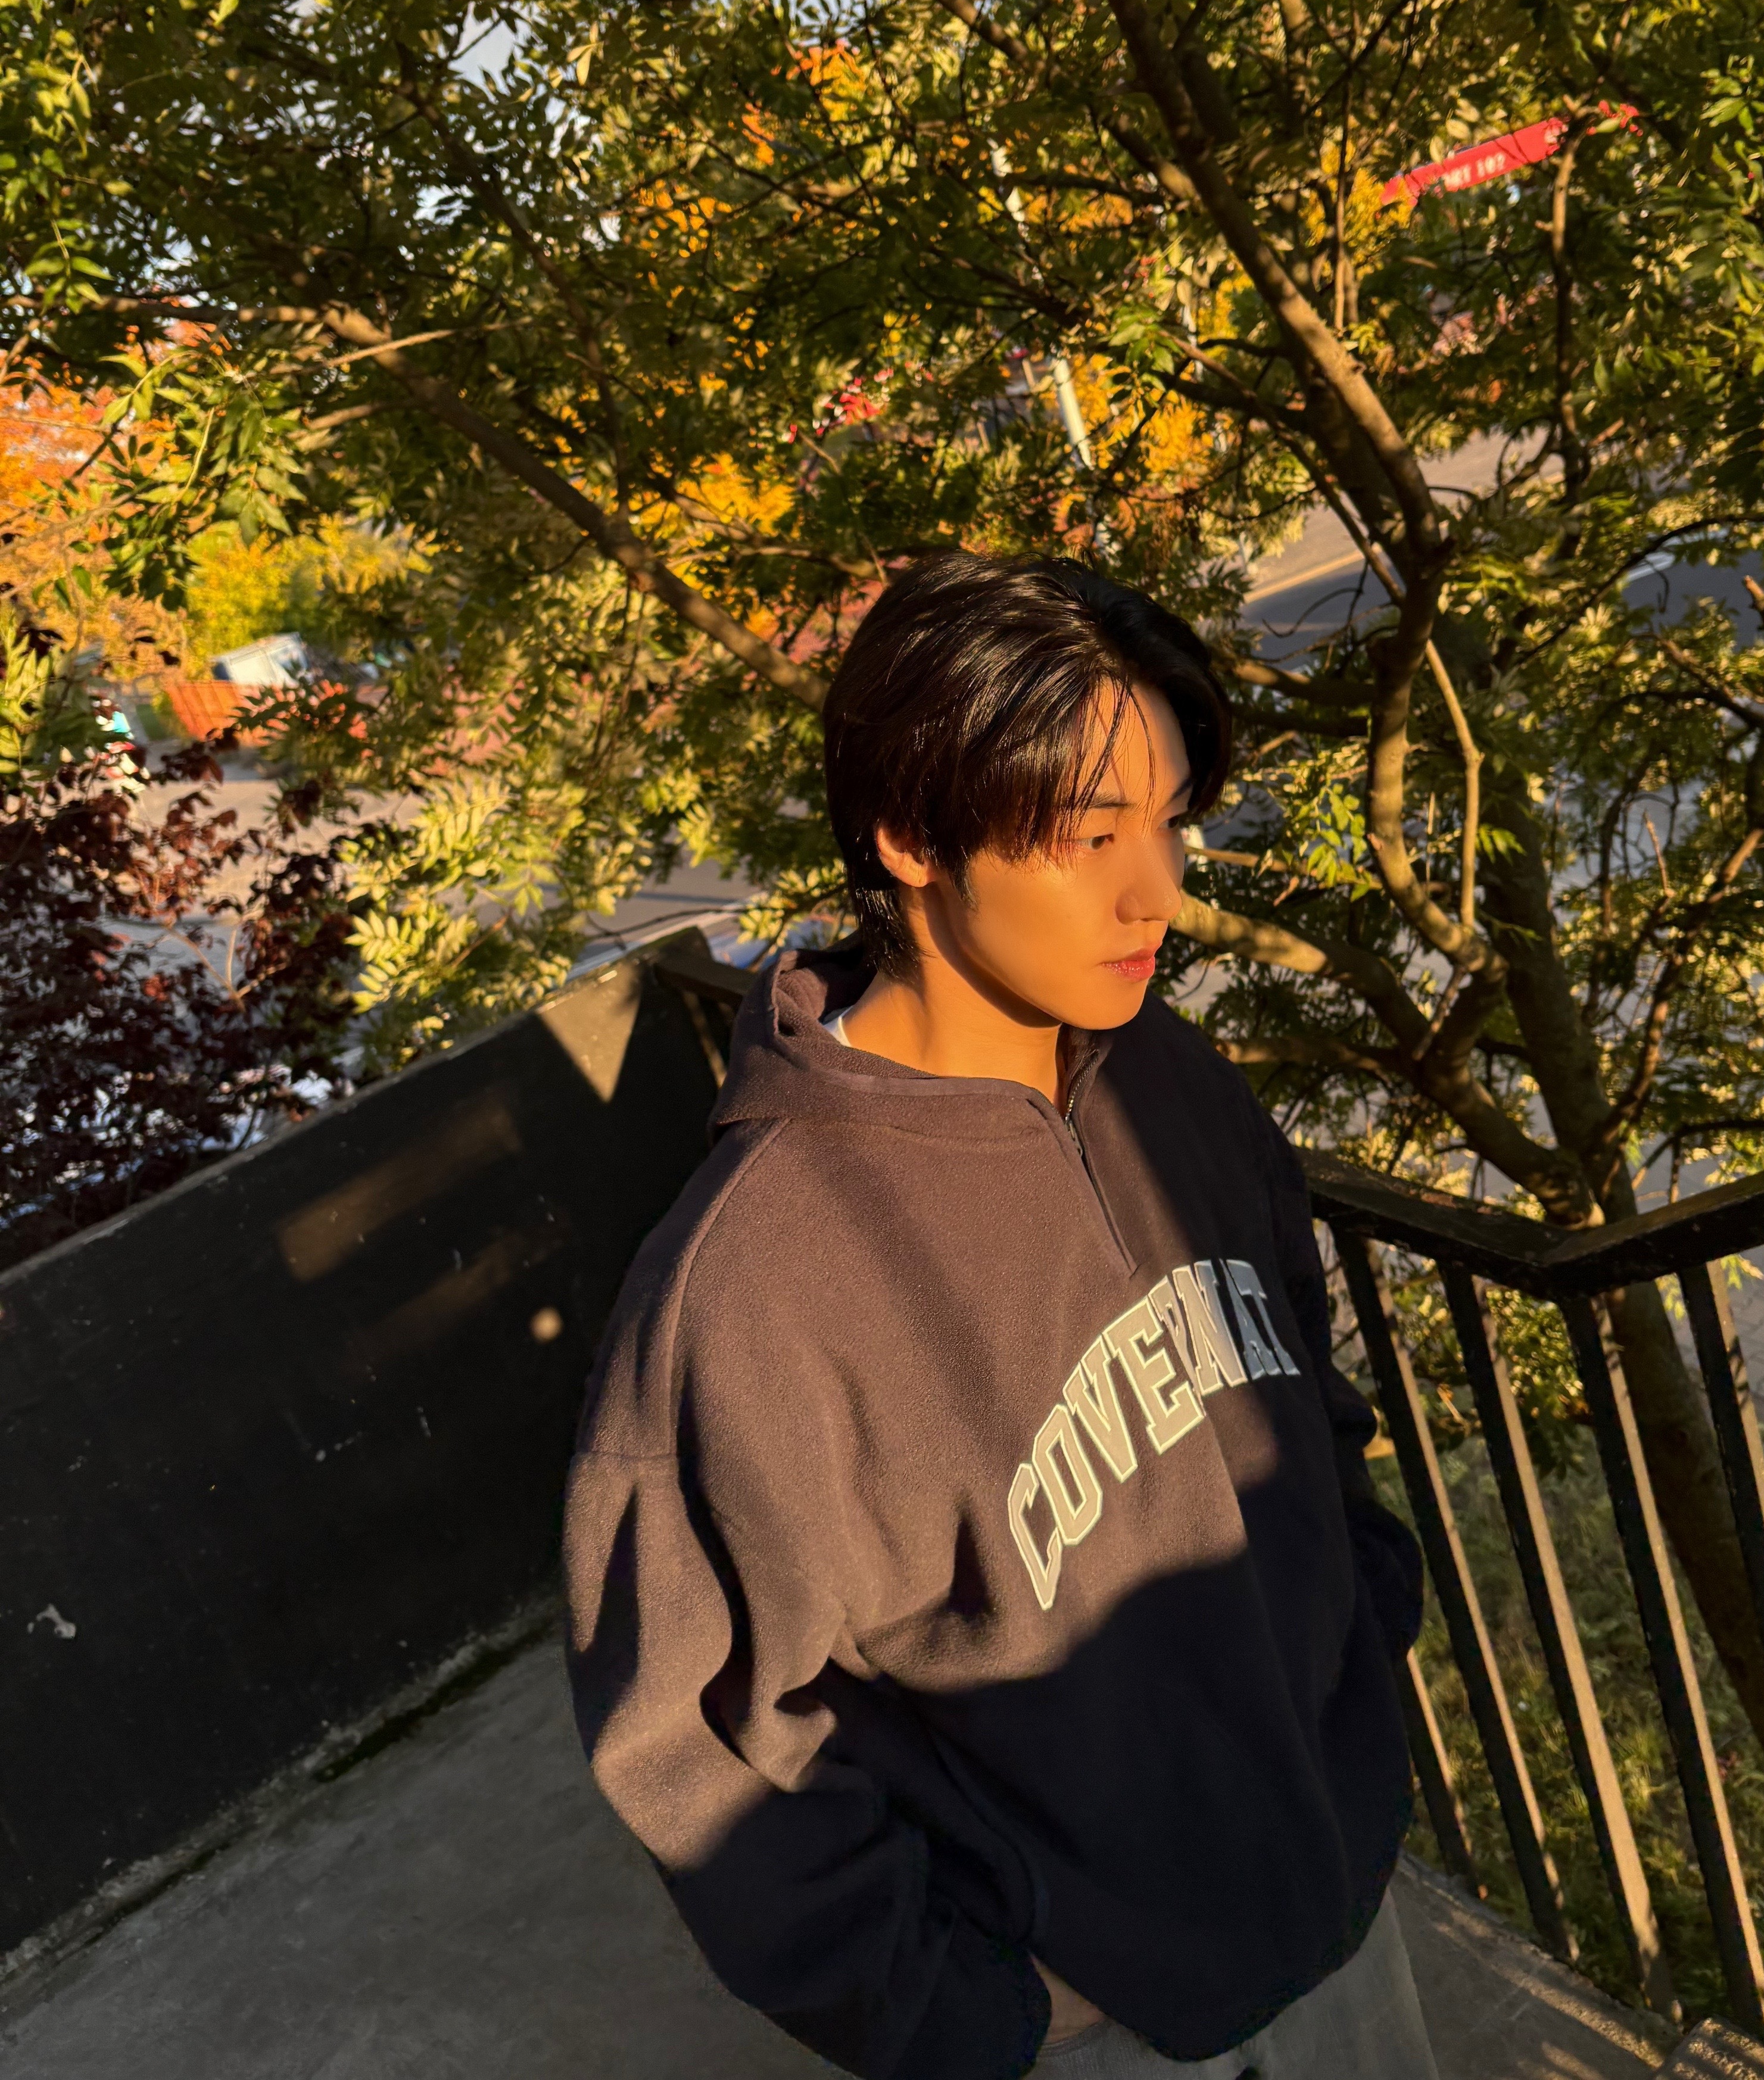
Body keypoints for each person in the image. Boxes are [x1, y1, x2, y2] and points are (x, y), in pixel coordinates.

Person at [564, 554, 1433, 2080]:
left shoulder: (1167, 1080)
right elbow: (704, 1745)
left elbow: (1307, 1386)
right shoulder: (748, 1291)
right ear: (912, 837)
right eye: (1092, 835)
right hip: (1107, 2022)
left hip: (1344, 1886)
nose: (1157, 889)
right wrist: (978, 2019)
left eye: (1171, 821)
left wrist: (1364, 1652)